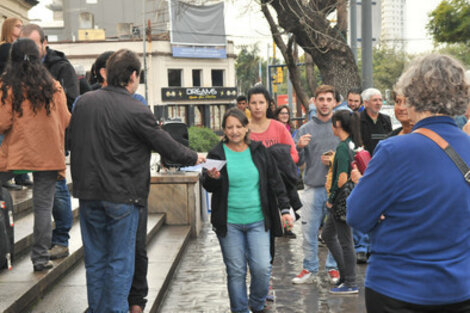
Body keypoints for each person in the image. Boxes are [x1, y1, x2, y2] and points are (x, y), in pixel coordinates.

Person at [70, 49, 204, 313]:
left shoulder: (83, 103)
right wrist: (195, 157)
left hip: (89, 195)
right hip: (122, 197)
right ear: (133, 76)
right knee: (120, 263)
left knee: (95, 262)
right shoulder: (136, 108)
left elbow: (70, 141)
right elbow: (169, 147)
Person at [348, 54, 470, 313]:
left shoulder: (395, 150)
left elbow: (357, 215)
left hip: (397, 288)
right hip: (459, 288)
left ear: (414, 95)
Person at [202, 108, 292, 313]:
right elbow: (207, 185)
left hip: (258, 220)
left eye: (238, 126)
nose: (234, 131)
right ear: (223, 130)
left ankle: (257, 304)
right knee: (236, 271)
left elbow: (275, 182)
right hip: (229, 222)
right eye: (229, 127)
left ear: (246, 128)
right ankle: (240, 310)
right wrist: (212, 178)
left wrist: (285, 208)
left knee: (262, 267)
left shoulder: (259, 151)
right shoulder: (216, 153)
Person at [0, 38, 70, 271]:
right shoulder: (53, 86)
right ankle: (40, 259)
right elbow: (66, 119)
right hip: (49, 154)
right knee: (43, 207)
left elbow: (2, 122)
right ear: (39, 58)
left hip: (17, 152)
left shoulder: (7, 86)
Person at [21, 23, 79, 260]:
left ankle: (61, 239)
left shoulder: (61, 68)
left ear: (44, 43)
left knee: (57, 190)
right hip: (27, 142)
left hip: (53, 141)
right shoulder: (19, 68)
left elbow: (72, 103)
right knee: (45, 198)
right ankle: (44, 250)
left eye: (33, 45)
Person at [292, 85, 339, 285]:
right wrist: (299, 147)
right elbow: (295, 161)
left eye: (329, 99)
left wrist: (335, 160)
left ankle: (333, 267)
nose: (325, 103)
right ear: (314, 101)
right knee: (308, 231)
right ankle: (309, 267)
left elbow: (351, 155)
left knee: (334, 232)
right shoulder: (304, 129)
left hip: (337, 189)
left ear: (335, 102)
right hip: (312, 187)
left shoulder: (341, 126)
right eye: (321, 99)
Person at [322, 110, 362, 295]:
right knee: (329, 235)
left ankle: (351, 281)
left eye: (333, 123)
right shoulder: (350, 144)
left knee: (345, 241)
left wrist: (331, 200)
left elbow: (341, 178)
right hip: (345, 200)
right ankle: (345, 275)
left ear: (338, 124)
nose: (332, 127)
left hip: (340, 201)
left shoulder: (344, 148)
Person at [0, 17, 33, 190]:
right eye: (18, 26)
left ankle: (19, 175)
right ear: (8, 28)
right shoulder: (6, 48)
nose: (21, 29)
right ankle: (12, 176)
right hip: (7, 95)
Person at [360, 88, 392, 155]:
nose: (378, 103)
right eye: (375, 100)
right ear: (366, 103)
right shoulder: (358, 119)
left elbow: (390, 141)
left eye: (380, 100)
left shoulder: (386, 120)